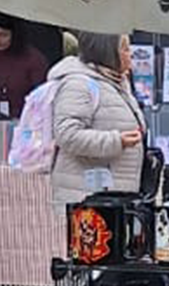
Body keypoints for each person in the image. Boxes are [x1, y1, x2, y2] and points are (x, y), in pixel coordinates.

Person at [49, 32, 147, 210]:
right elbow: (67, 134)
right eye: (125, 49)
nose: (130, 54)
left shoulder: (117, 82)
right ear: (108, 53)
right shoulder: (79, 84)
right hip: (85, 198)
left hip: (112, 197)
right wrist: (117, 141)